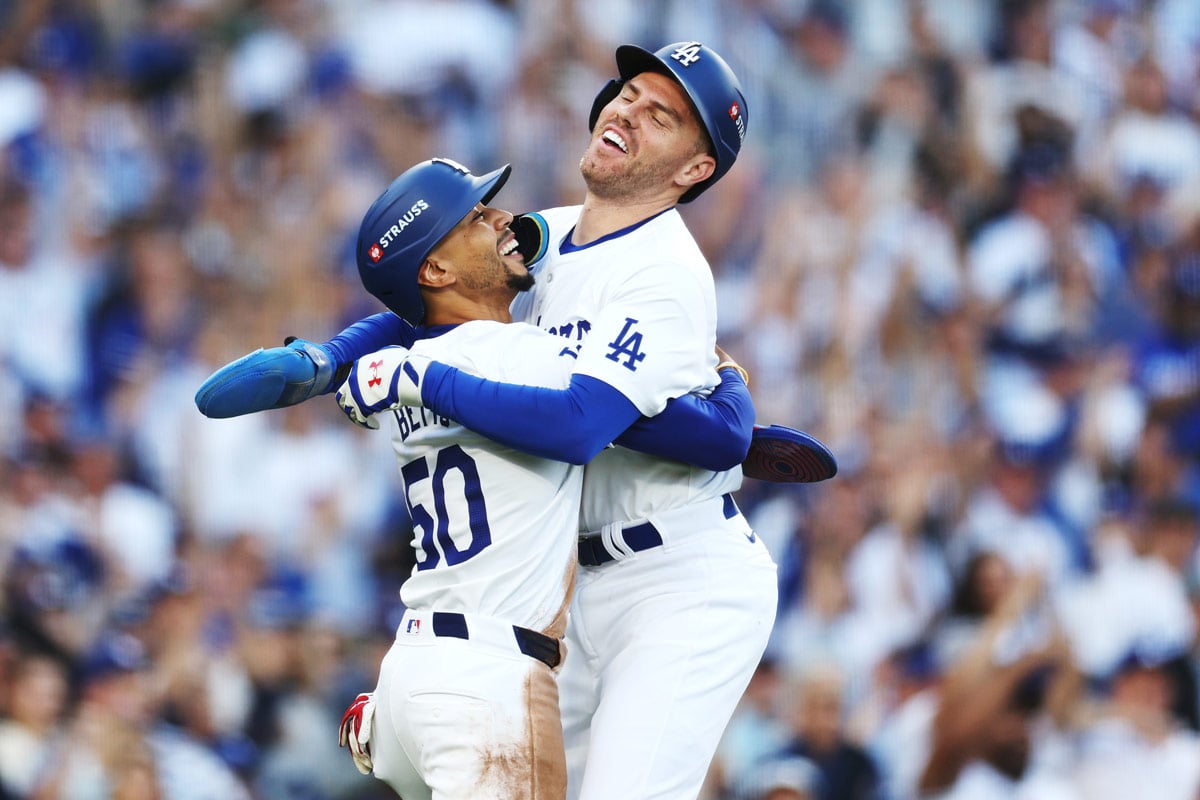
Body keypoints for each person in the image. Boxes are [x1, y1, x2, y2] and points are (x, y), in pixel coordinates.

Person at [200, 41, 786, 799]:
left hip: (677, 578)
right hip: (568, 590)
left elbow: (583, 423)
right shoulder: (551, 236)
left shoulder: (663, 272)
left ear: (694, 169)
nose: (627, 113)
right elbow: (430, 292)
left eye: (663, 116)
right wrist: (331, 359)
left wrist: (729, 421)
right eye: (628, 95)